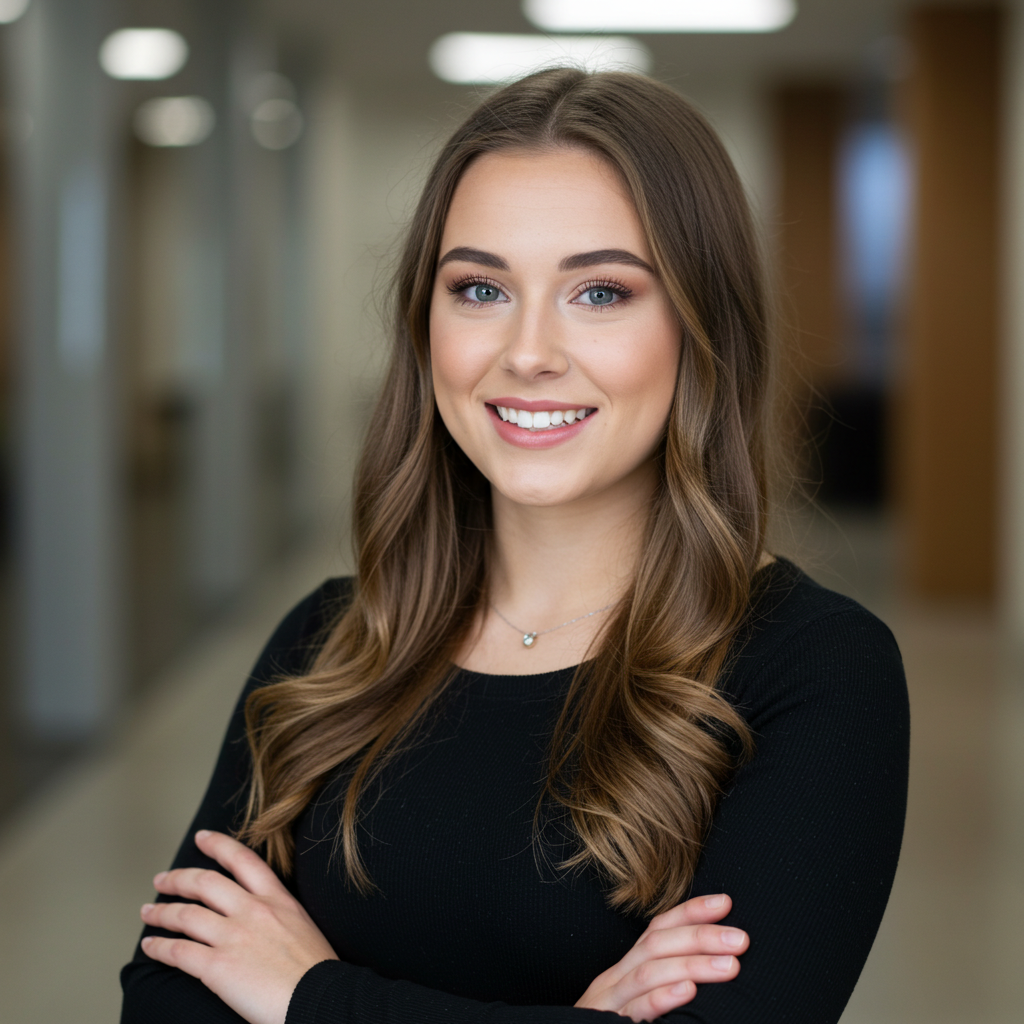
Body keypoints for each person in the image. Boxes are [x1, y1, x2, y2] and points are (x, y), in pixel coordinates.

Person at [120, 68, 909, 1024]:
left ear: (705, 330)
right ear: (426, 322)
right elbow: (167, 997)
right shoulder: (332, 640)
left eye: (602, 292)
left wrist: (305, 995)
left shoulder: (816, 669)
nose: (527, 351)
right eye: (482, 287)